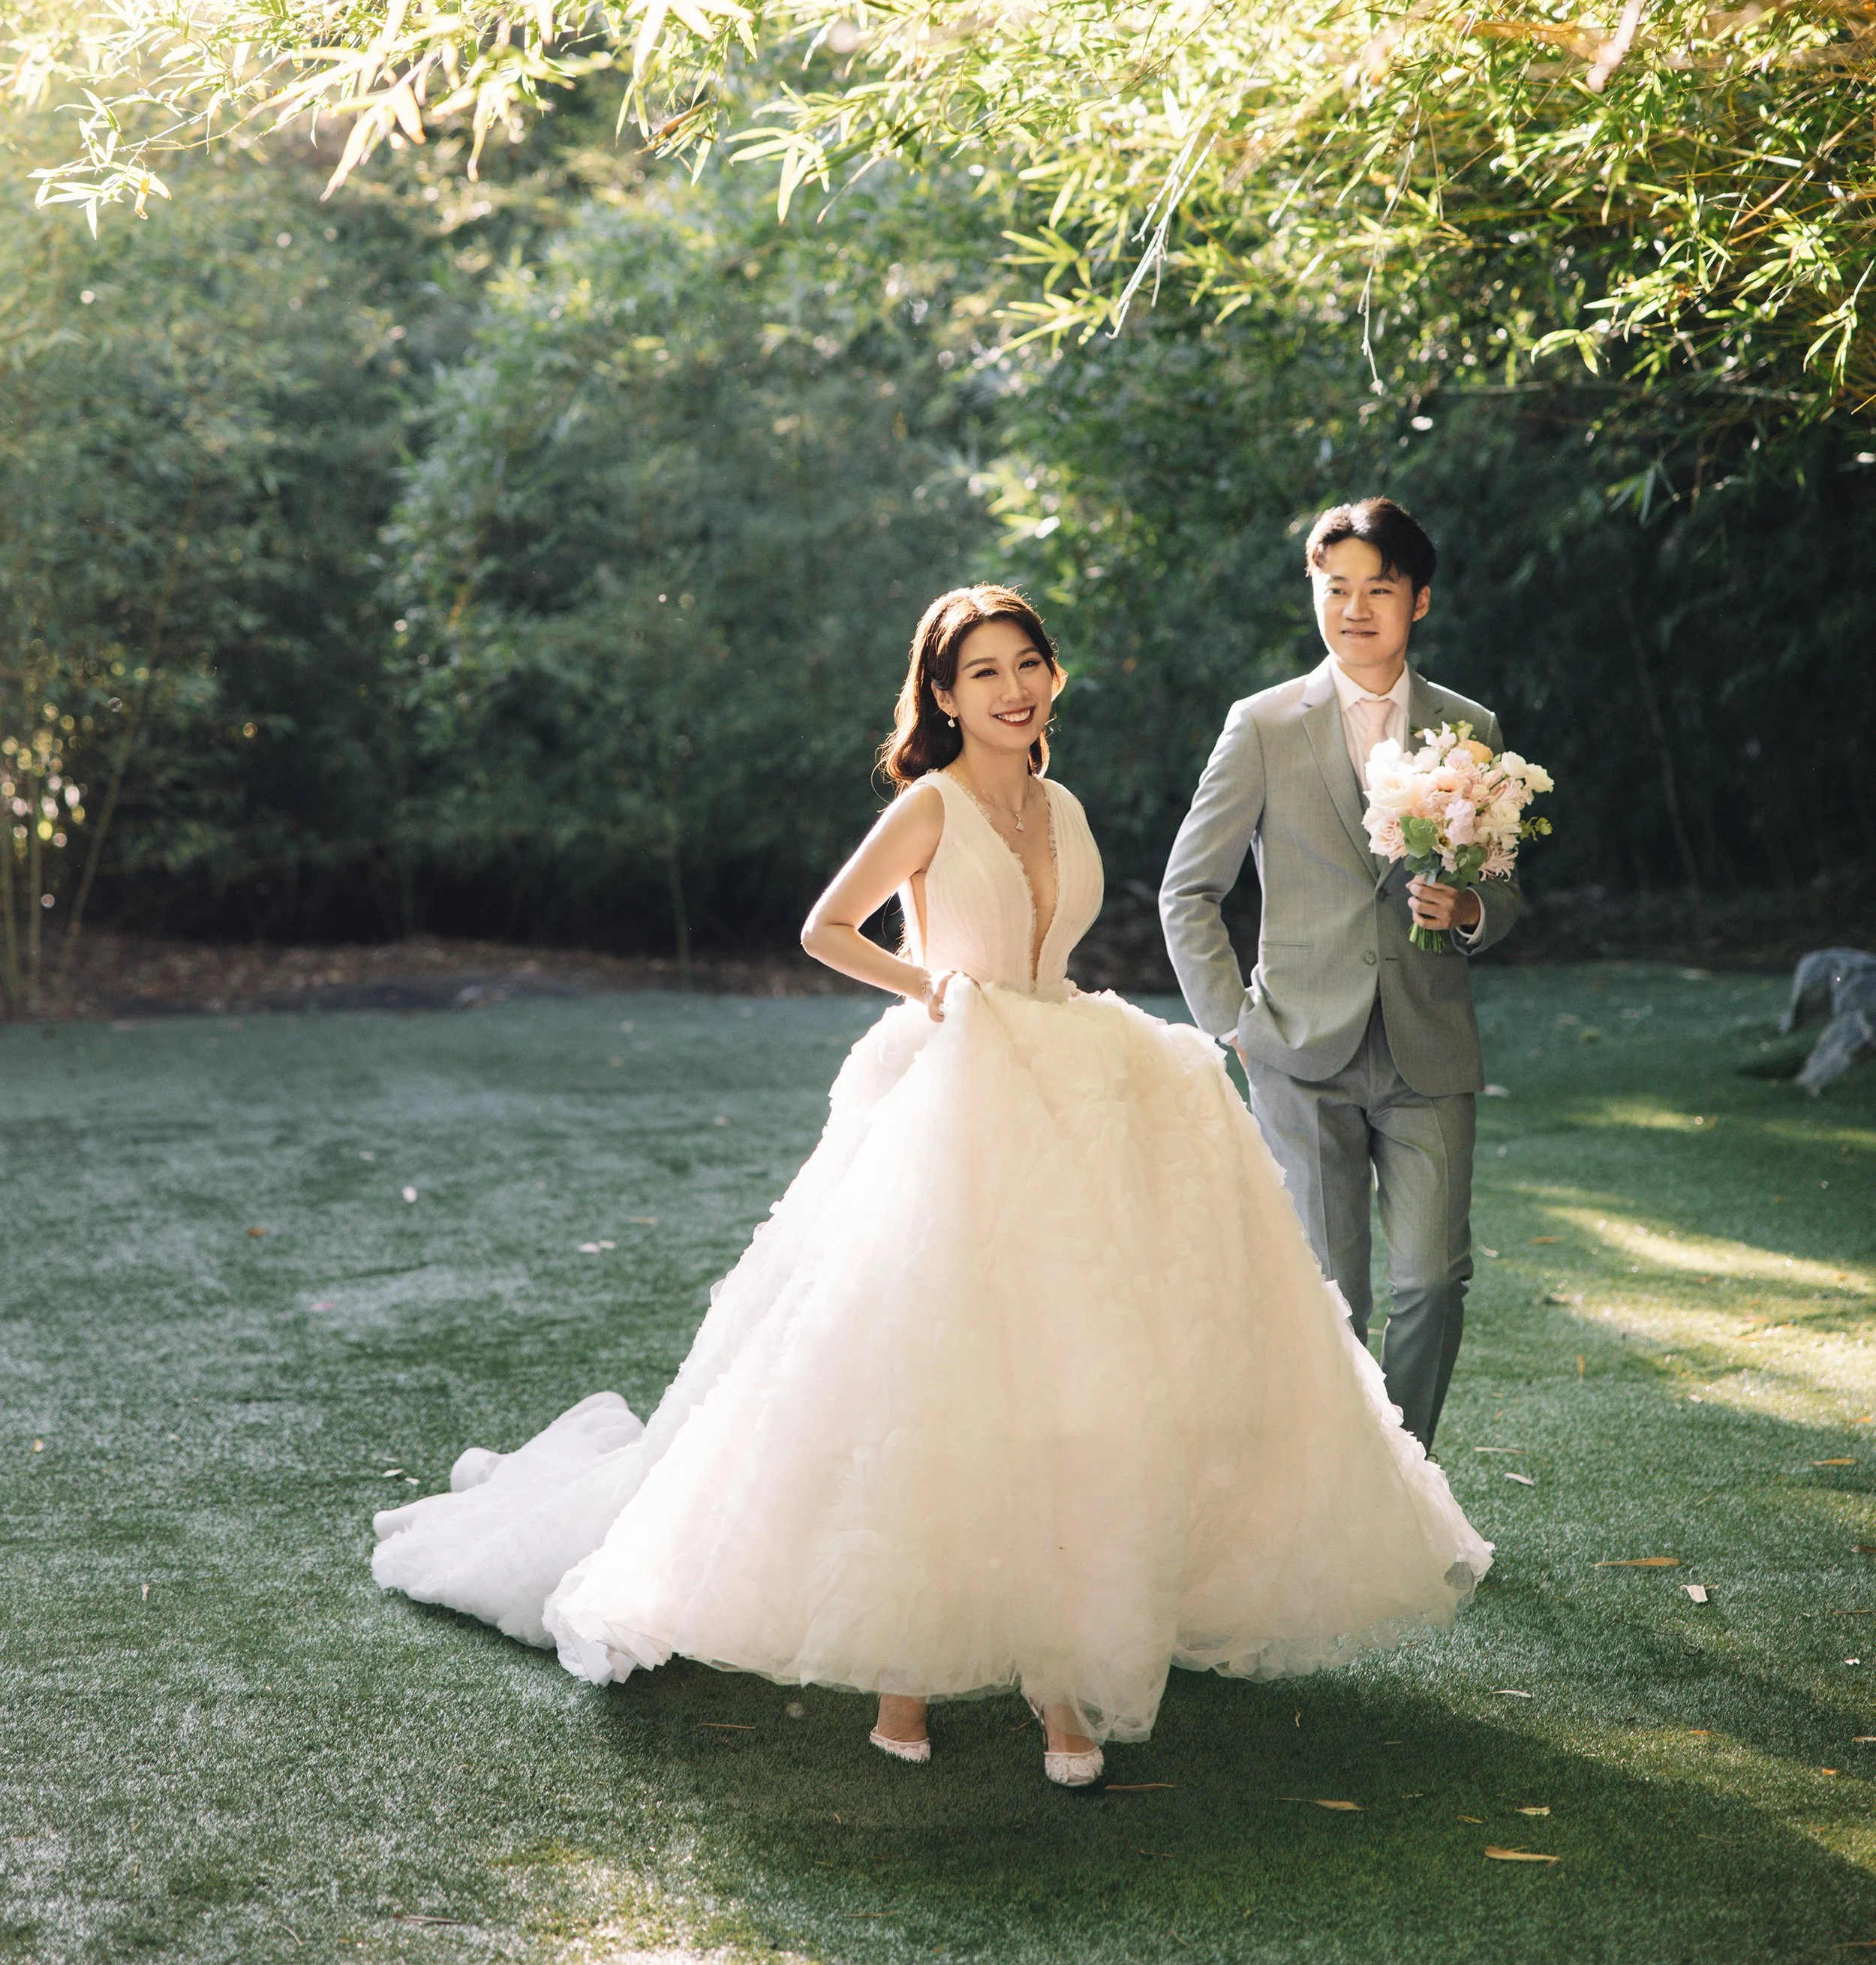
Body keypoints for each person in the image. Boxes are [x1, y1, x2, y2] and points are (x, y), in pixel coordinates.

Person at [374, 583, 1489, 1786]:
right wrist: (932, 991)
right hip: (957, 1087)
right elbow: (825, 928)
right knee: (932, 1366)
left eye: (1027, 666)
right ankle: (914, 1663)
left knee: (1079, 1371)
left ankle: (1057, 1660)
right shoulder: (930, 805)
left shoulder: (1060, 802)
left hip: (1075, 1073)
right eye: (982, 675)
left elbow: (1056, 948)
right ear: (945, 699)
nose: (1011, 690)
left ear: (1052, 678)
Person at [1159, 500, 1519, 1453]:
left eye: (1379, 589)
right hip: (1296, 1048)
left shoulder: (1469, 728)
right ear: (1315, 596)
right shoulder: (1264, 724)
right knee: (1333, 1294)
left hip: (1426, 1044)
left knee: (1432, 1279)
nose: (1354, 609)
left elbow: (1503, 881)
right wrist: (1231, 1021)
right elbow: (1188, 890)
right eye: (1336, 589)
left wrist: (1472, 911)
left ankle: (1408, 1479)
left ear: (1420, 600)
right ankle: (1339, 1490)